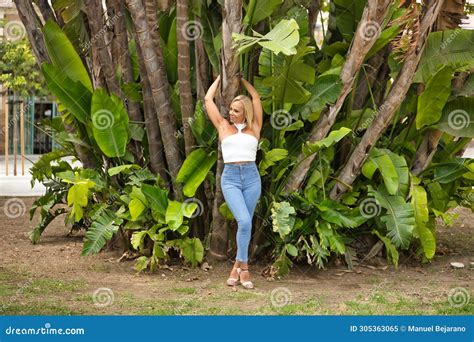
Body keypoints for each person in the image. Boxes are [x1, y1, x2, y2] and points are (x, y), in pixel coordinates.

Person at [204, 75, 263, 289]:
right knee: (245, 221)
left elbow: (255, 97)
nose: (230, 112)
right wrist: (221, 78)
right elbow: (208, 100)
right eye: (230, 109)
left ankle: (235, 267)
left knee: (244, 223)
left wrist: (242, 80)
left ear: (245, 112)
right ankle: (244, 268)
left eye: (236, 110)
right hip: (230, 179)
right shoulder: (222, 126)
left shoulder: (255, 127)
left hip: (251, 178)